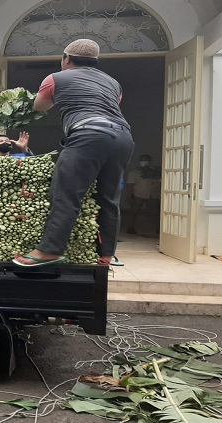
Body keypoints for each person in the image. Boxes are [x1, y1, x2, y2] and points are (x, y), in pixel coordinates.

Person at [13, 38, 135, 268]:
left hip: (88, 135)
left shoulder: (56, 78)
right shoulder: (113, 83)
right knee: (109, 198)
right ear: (94, 62)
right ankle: (106, 254)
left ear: (66, 59)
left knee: (66, 194)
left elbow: (40, 106)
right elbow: (112, 105)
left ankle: (50, 251)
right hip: (123, 137)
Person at [125, 154, 160, 235]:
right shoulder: (134, 173)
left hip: (152, 195)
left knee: (155, 213)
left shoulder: (154, 173)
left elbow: (159, 183)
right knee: (134, 212)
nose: (144, 162)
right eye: (142, 160)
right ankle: (131, 227)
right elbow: (130, 185)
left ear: (150, 161)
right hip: (138, 195)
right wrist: (129, 196)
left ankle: (159, 228)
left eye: (146, 160)